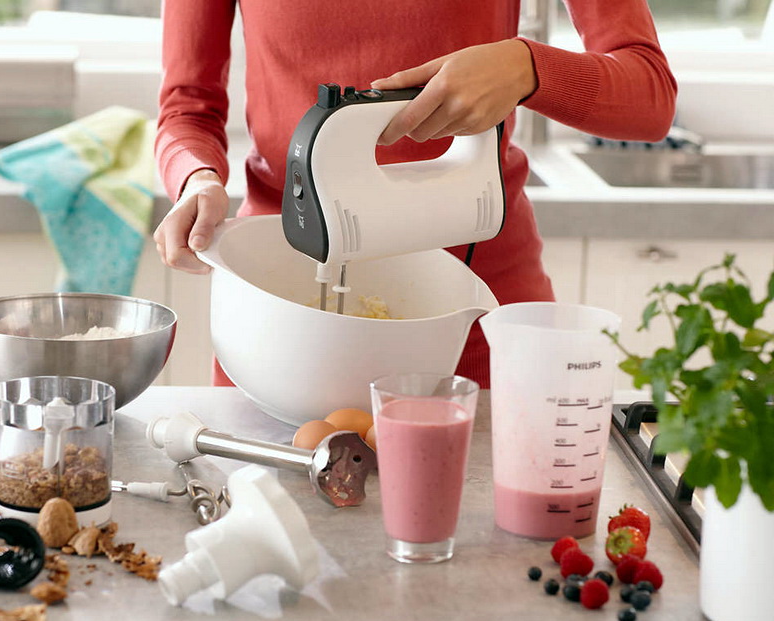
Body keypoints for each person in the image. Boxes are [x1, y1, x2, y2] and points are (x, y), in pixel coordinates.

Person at [153, 1, 677, 388]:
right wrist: (196, 177)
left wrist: (526, 67)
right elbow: (186, 106)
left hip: (478, 317)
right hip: (280, 313)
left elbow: (649, 95)